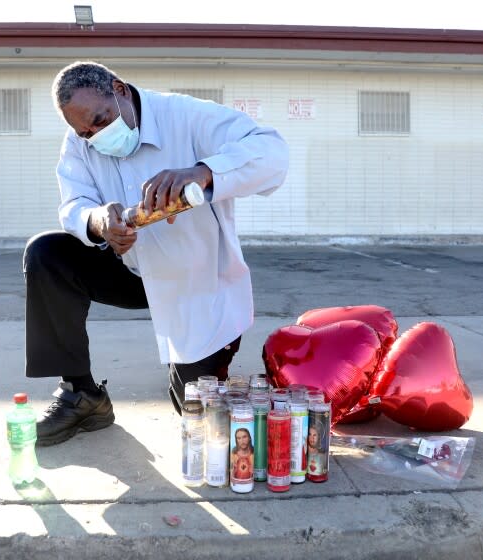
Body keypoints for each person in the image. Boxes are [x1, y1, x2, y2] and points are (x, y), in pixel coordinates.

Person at [23, 61, 289, 447]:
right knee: (46, 254)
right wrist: (98, 221)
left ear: (120, 89)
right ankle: (83, 394)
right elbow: (74, 202)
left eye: (101, 120)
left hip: (195, 281)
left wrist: (203, 171)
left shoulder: (186, 115)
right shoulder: (79, 141)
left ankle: (204, 364)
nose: (96, 136)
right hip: (128, 270)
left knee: (196, 415)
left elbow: (271, 151)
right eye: (86, 132)